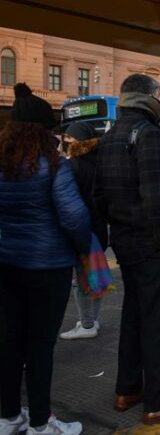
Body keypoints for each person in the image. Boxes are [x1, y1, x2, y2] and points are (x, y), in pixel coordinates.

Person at [94, 74, 160, 424]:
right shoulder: (149, 134)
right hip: (152, 246)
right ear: (150, 97)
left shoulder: (111, 136)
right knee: (157, 321)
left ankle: (128, 390)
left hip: (125, 243)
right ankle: (158, 400)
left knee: (133, 316)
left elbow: (98, 196)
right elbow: (157, 196)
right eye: (159, 95)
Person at [0, 84, 91, 435]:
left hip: (6, 264)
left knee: (9, 341)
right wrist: (84, 247)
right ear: (44, 129)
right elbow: (74, 218)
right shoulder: (54, 166)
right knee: (39, 346)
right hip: (47, 266)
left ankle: (8, 417)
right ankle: (41, 423)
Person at [59, 122, 109, 341]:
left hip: (82, 229)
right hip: (99, 228)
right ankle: (91, 320)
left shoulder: (72, 166)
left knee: (80, 280)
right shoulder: (101, 163)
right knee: (95, 275)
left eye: (68, 138)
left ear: (77, 141)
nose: (65, 141)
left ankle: (87, 324)